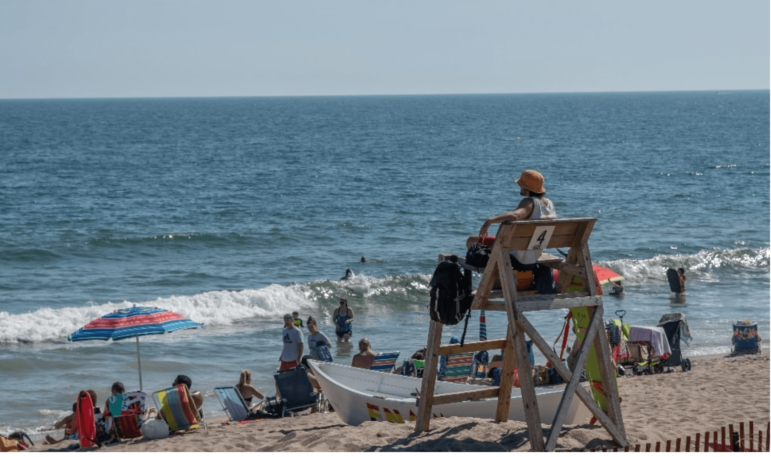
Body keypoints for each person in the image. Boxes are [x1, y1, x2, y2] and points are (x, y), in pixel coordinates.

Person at [466, 169, 557, 294]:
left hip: (517, 257)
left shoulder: (529, 202)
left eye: (520, 184)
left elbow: (515, 215)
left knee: (472, 241)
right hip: (534, 253)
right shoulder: (549, 204)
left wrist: (490, 220)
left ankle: (496, 283)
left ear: (526, 188)